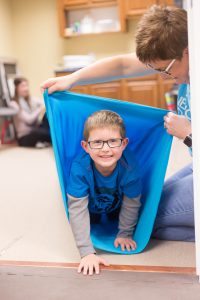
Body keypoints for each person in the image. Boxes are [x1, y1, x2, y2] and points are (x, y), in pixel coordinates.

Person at [41, 5, 194, 242]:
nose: (163, 77)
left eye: (165, 69)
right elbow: (122, 65)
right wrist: (72, 79)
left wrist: (189, 133)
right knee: (149, 205)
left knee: (146, 223)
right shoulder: (180, 64)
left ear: (187, 51)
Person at [67, 110, 142, 275]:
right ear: (86, 146)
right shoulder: (80, 168)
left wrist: (125, 234)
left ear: (124, 143)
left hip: (117, 206)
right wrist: (86, 252)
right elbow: (77, 208)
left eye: (113, 141)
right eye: (98, 142)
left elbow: (132, 202)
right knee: (91, 221)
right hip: (90, 208)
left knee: (117, 217)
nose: (106, 149)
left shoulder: (130, 167)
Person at [10, 77, 51, 148]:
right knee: (43, 133)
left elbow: (44, 102)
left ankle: (45, 140)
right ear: (16, 88)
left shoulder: (30, 99)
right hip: (24, 136)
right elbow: (29, 120)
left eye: (27, 86)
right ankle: (45, 139)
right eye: (23, 86)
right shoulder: (14, 104)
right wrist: (40, 108)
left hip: (36, 129)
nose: (26, 89)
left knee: (46, 116)